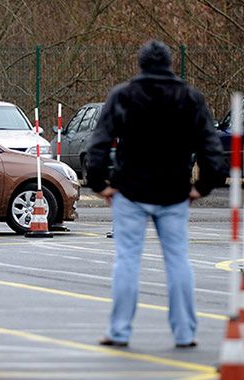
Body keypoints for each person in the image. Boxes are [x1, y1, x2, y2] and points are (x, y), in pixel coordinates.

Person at [86, 40, 225, 348]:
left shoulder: (123, 96)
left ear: (141, 64)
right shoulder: (190, 98)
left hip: (130, 191)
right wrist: (201, 187)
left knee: (127, 261)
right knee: (178, 262)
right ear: (170, 64)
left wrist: (99, 183)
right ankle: (185, 333)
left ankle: (119, 331)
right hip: (174, 192)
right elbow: (211, 150)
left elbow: (98, 143)